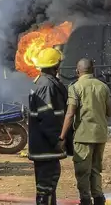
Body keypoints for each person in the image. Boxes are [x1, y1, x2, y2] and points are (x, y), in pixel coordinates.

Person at [60, 58, 111, 205]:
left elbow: (70, 114)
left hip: (83, 136)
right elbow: (110, 112)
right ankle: (99, 198)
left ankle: (85, 200)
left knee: (83, 171)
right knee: (96, 169)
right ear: (93, 70)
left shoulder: (75, 87)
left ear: (77, 71)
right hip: (100, 135)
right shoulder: (103, 87)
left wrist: (62, 136)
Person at [28, 48, 68, 205]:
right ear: (55, 67)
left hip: (43, 147)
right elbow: (47, 118)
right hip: (46, 147)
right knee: (46, 186)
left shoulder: (43, 83)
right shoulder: (47, 86)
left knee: (47, 187)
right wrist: (58, 140)